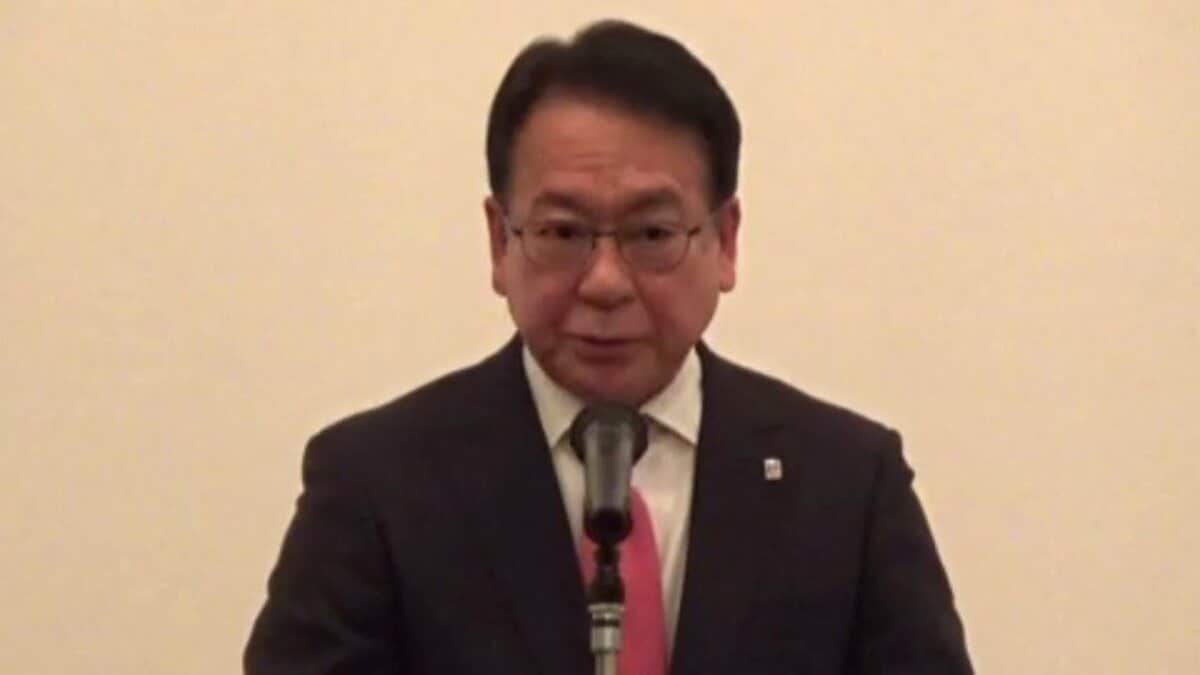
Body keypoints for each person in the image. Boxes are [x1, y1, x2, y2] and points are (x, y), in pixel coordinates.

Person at [244, 19, 973, 675]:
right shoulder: (378, 485)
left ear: (725, 242)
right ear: (500, 242)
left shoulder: (846, 486)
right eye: (563, 233)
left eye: (651, 234)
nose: (604, 282)